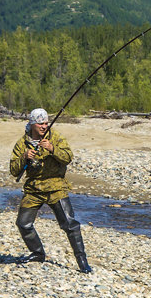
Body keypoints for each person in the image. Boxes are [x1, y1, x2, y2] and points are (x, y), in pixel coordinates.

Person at [8, 108, 92, 273]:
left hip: (56, 186)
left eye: (46, 123)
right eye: (40, 123)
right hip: (33, 188)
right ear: (32, 124)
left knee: (70, 224)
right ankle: (38, 253)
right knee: (23, 224)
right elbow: (13, 170)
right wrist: (24, 157)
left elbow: (68, 157)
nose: (44, 126)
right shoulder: (21, 144)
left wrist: (52, 149)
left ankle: (82, 261)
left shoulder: (56, 137)